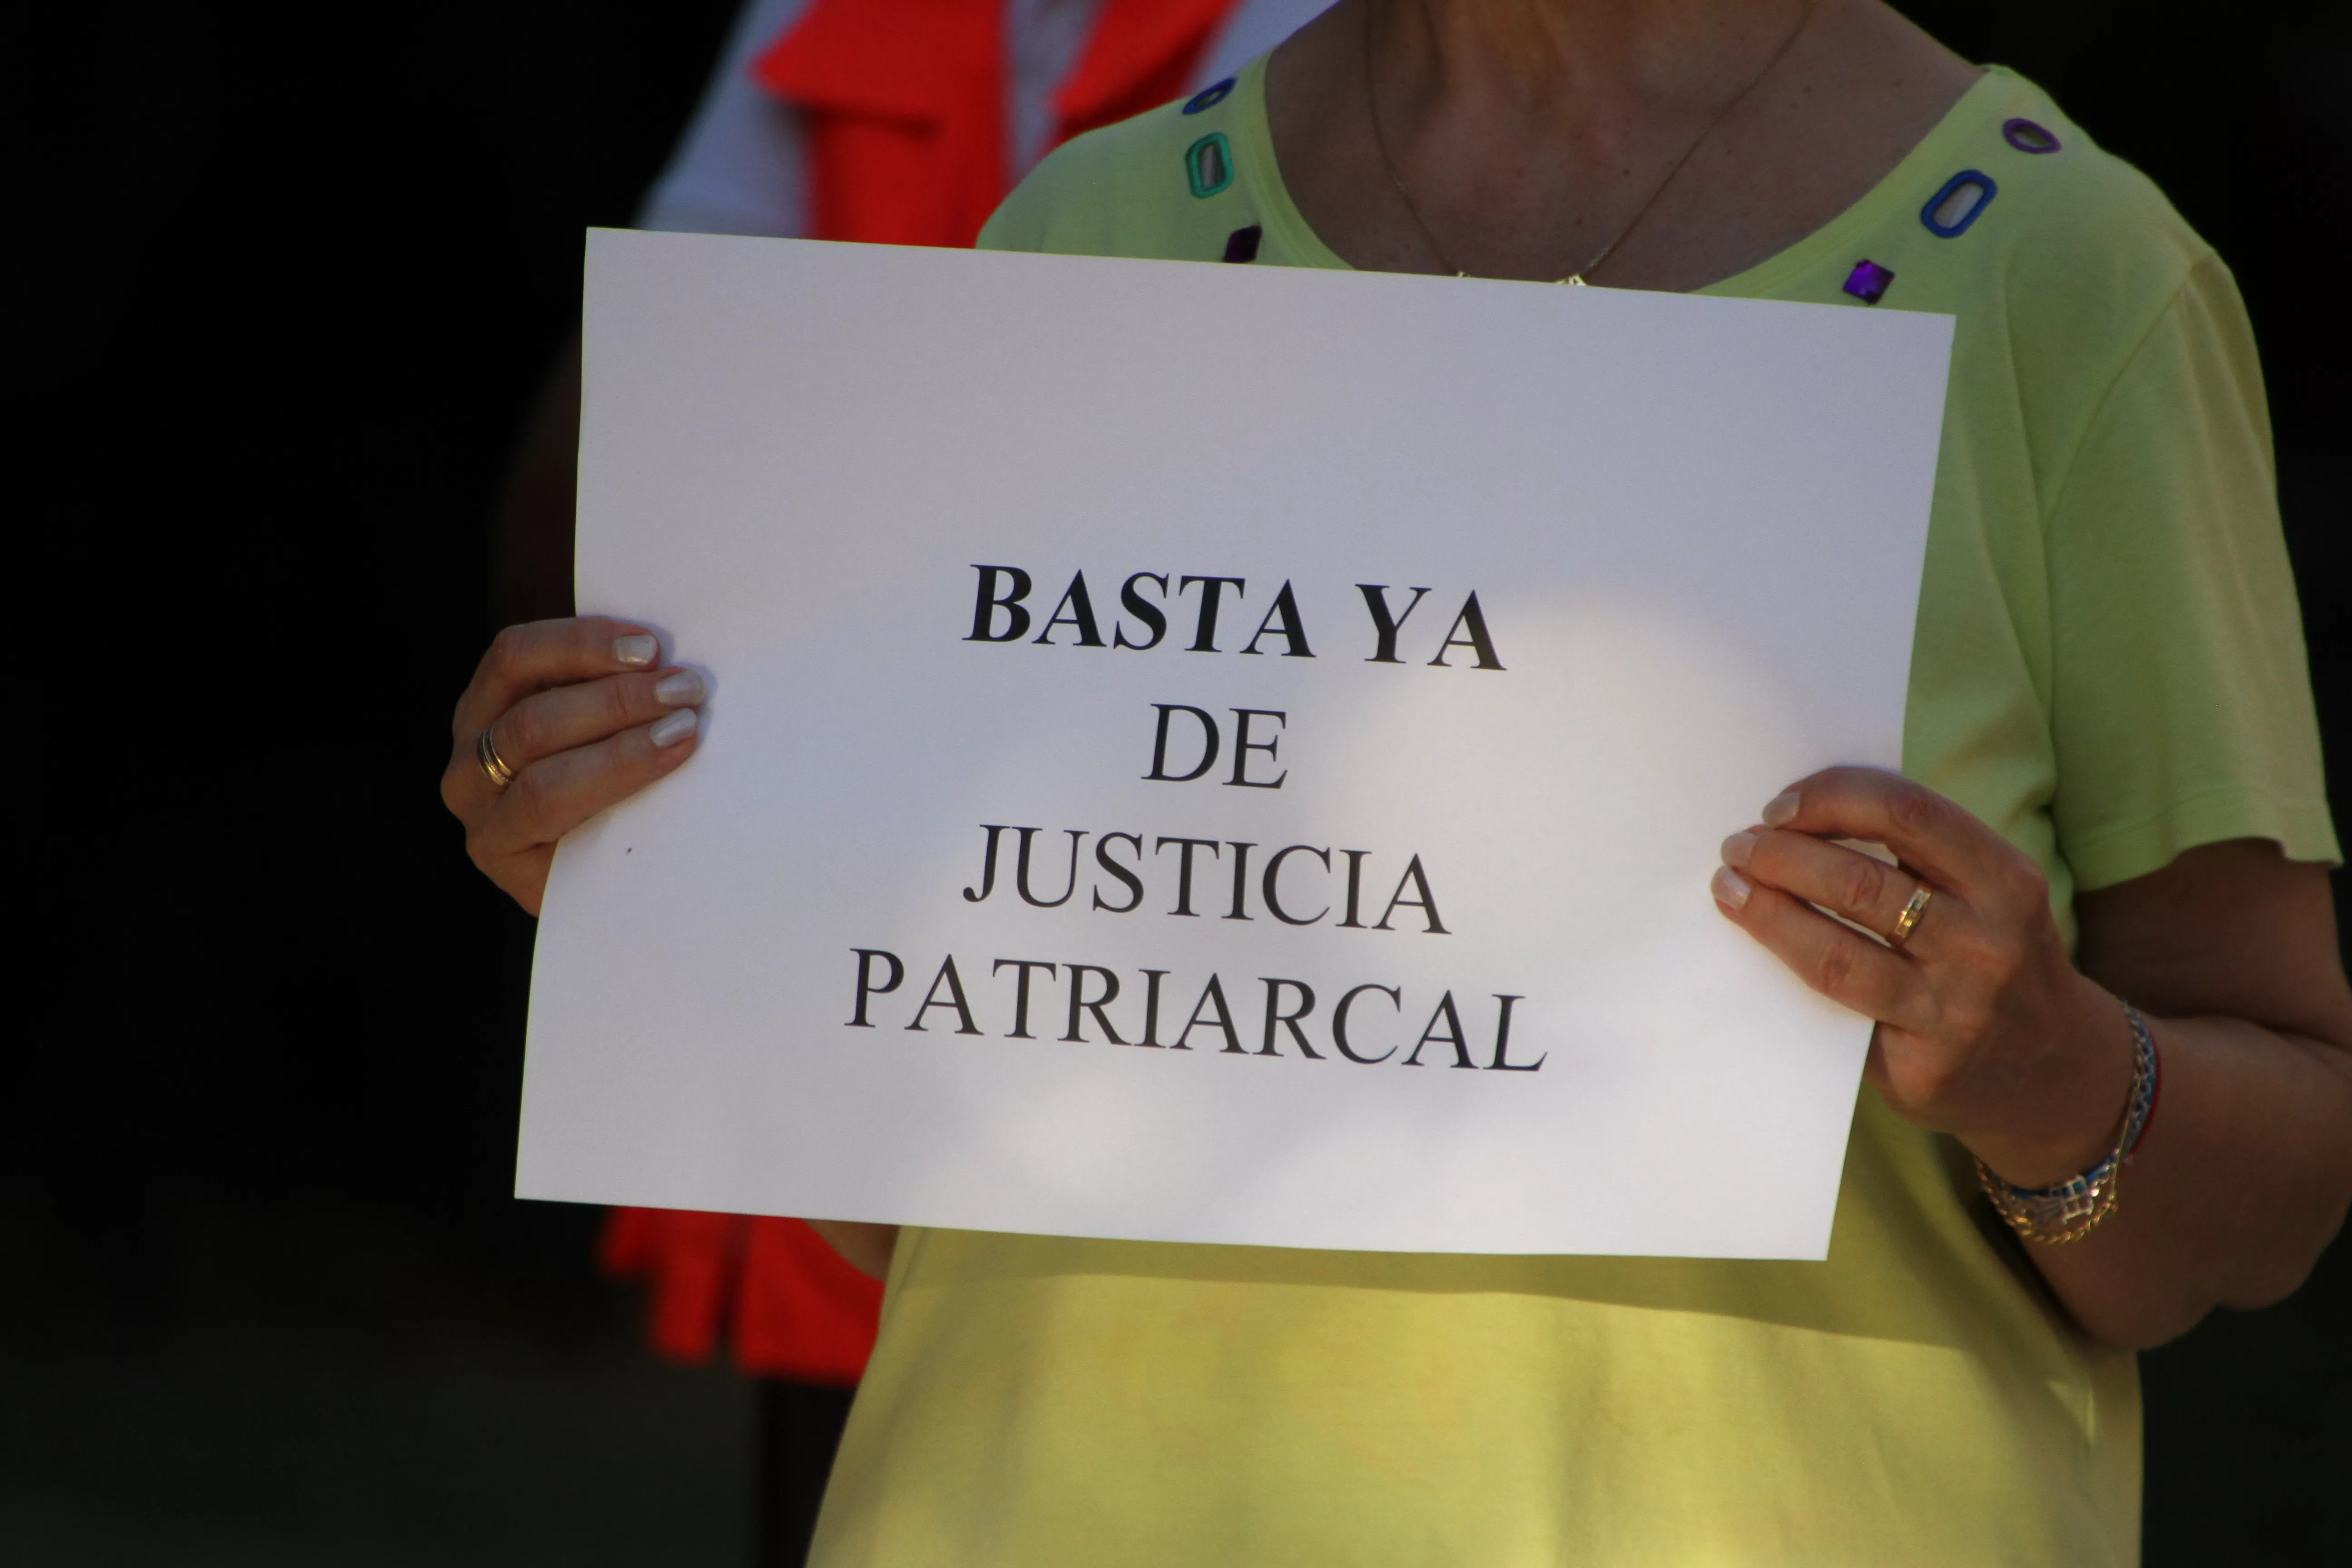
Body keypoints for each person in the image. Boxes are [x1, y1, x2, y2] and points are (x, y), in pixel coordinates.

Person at [446, 0, 2352, 1560]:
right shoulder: (1084, 235)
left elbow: (2282, 1177)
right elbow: (937, 1199)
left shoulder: (2070, 281)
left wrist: (2048, 1070)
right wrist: (686, 892)